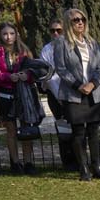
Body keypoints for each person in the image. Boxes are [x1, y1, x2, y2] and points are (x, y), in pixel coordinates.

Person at [53, 8, 100, 181]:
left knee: (94, 131)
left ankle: (97, 167)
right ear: (68, 23)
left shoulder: (91, 42)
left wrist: (93, 84)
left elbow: (99, 68)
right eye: (76, 20)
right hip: (73, 94)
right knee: (78, 133)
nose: (80, 22)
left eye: (82, 19)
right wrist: (78, 85)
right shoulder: (62, 43)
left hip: (93, 92)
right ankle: (83, 168)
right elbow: (61, 69)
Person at [0, 22, 42, 175]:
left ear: (16, 34)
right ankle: (15, 163)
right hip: (6, 94)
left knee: (26, 128)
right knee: (10, 130)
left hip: (24, 94)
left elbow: (34, 69)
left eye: (11, 33)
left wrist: (26, 75)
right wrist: (7, 77)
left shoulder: (24, 51)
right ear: (0, 35)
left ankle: (29, 162)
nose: (8, 37)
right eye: (5, 34)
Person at [39, 20, 76, 170]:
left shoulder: (72, 46)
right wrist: (59, 95)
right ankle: (68, 161)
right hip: (55, 95)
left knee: (77, 127)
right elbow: (47, 75)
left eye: (59, 30)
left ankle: (81, 158)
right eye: (52, 30)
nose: (55, 33)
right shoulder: (46, 50)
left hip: (74, 92)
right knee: (63, 128)